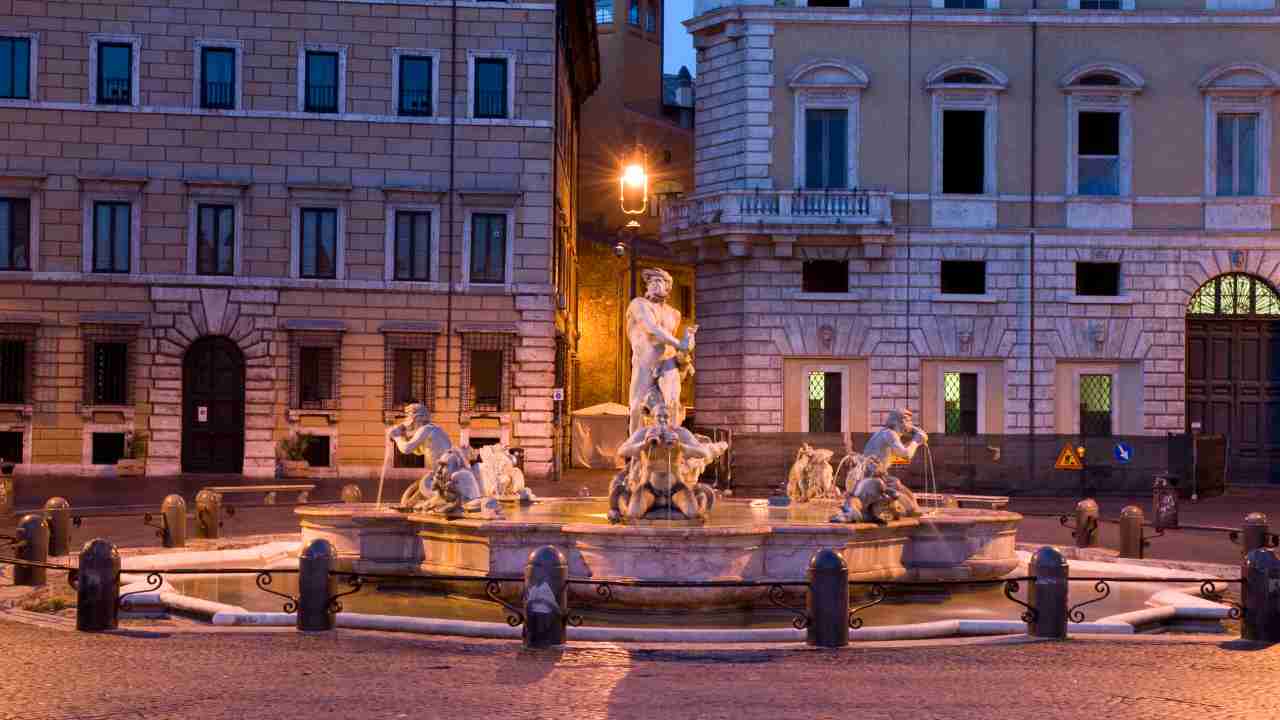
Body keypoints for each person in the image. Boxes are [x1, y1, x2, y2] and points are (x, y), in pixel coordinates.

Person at [625, 267, 697, 434]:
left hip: (668, 362)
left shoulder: (674, 314)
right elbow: (652, 329)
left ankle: (672, 448)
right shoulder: (639, 304)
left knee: (673, 403)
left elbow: (670, 341)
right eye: (650, 281)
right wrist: (680, 344)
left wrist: (685, 348)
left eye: (659, 281)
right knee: (636, 406)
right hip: (645, 362)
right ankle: (636, 453)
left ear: (668, 287)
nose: (653, 284)